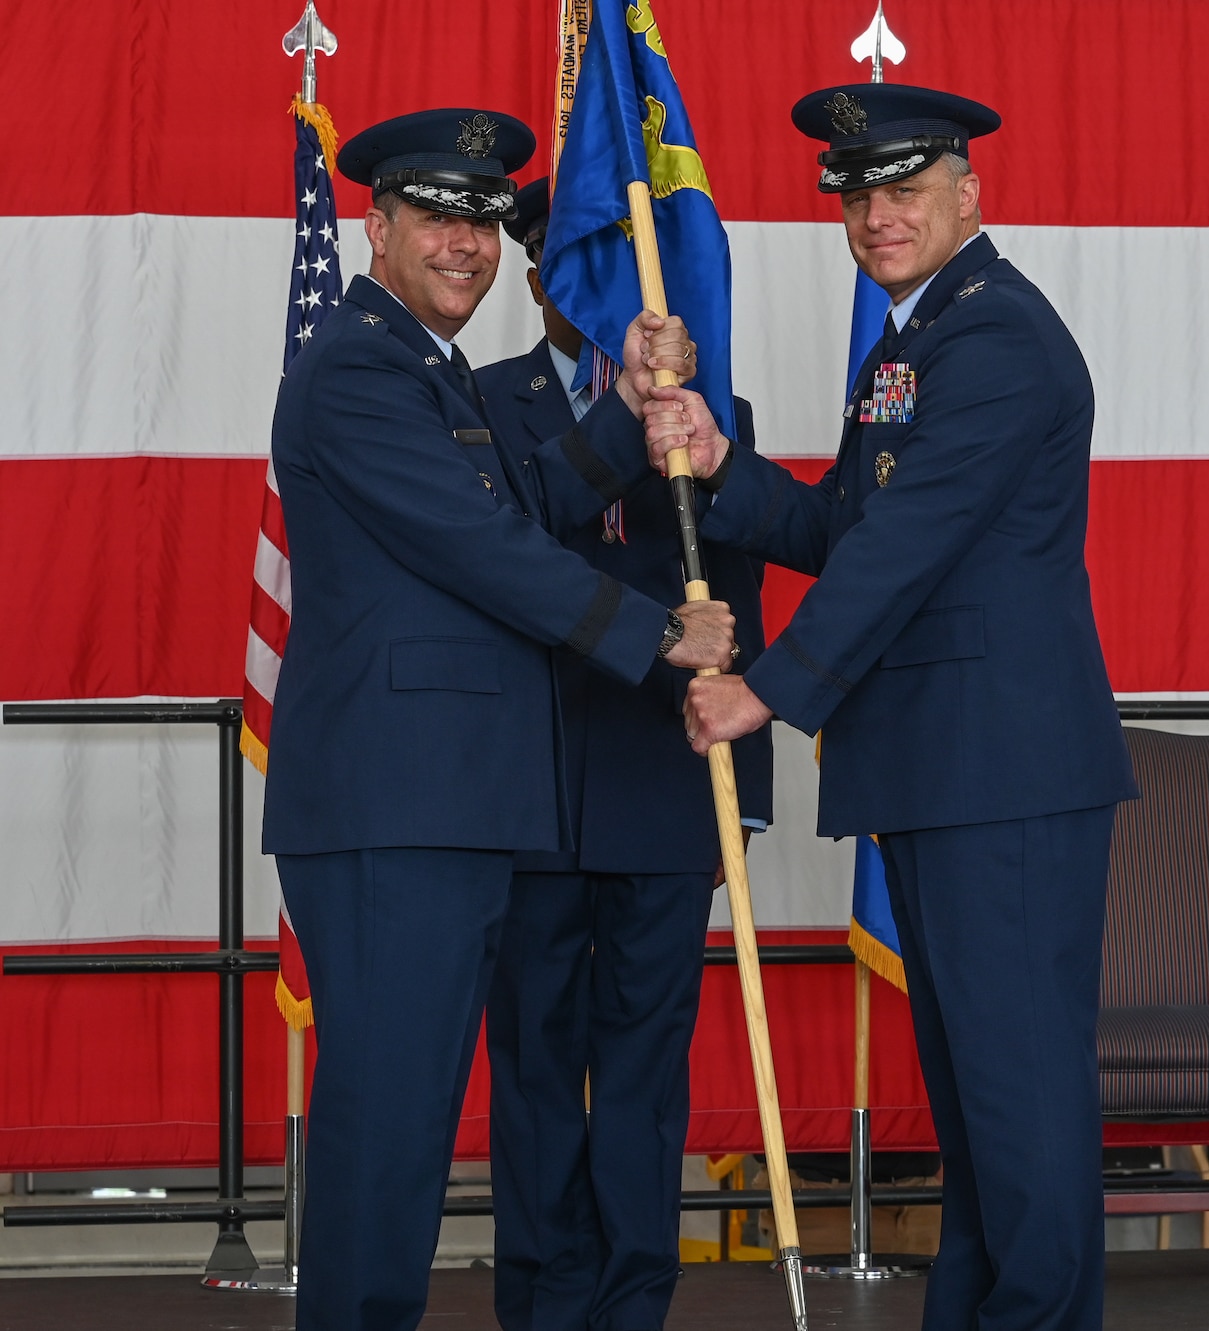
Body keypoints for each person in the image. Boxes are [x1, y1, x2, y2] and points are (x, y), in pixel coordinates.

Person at [648, 83, 1138, 1331]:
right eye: (858, 194)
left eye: (904, 188)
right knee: (980, 1102)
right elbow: (844, 525)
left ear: (970, 191)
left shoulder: (996, 338)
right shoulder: (917, 341)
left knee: (1018, 1098)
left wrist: (770, 685)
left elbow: (908, 542)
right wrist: (721, 463)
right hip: (946, 768)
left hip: (1003, 774)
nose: (877, 214)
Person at [263, 108, 731, 1331]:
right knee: (391, 1118)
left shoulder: (425, 367)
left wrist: (630, 406)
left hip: (443, 806)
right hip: (392, 806)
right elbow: (481, 549)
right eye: (437, 216)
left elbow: (530, 497)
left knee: (409, 1115)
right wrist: (656, 636)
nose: (467, 243)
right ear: (375, 224)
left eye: (481, 219)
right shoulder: (361, 366)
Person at [476, 177, 774, 1330]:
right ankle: (545, 1299)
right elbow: (512, 556)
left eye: (607, 268)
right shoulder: (484, 402)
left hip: (665, 783)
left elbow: (735, 604)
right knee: (537, 1066)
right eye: (564, 269)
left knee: (645, 1072)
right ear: (541, 278)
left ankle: (633, 1299)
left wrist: (736, 803)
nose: (581, 290)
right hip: (534, 784)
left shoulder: (709, 407)